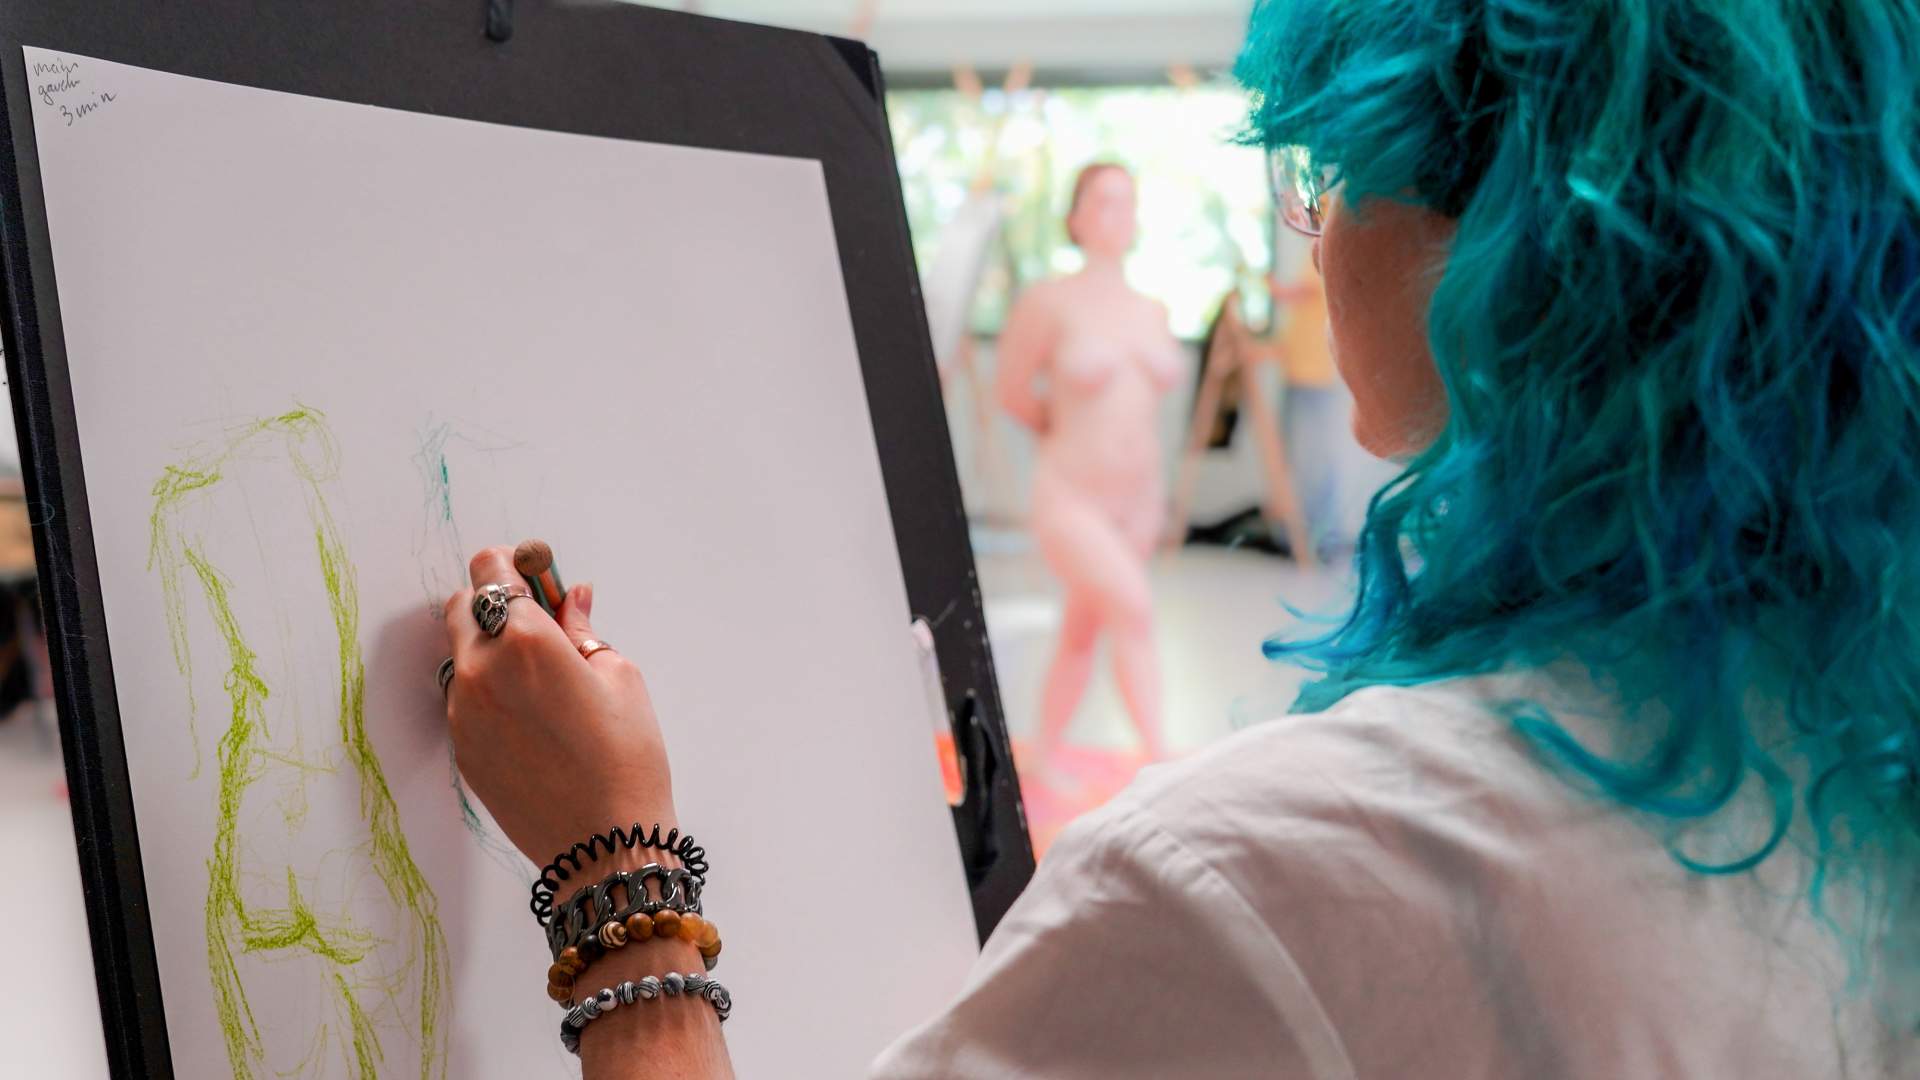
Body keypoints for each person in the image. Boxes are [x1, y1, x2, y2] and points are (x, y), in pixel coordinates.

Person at [439, 0, 1920, 1074]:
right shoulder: (1863, 757)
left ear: (1491, 237)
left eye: (1328, 172)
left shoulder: (1254, 885)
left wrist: (615, 875)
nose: (1317, 230)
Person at [993, 162, 1183, 780]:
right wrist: (1066, 435)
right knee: (1133, 608)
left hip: (1138, 501)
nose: (1117, 214)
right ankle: (1160, 758)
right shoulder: (1049, 301)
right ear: (1074, 217)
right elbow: (1011, 390)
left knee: (1083, 629)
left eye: (1127, 202)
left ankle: (1045, 753)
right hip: (1071, 495)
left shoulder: (1152, 309)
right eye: (1102, 201)